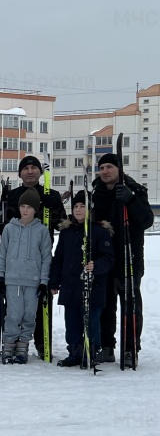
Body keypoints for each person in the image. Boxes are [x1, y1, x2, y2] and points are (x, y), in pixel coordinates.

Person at [0, 155, 66, 358]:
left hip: (39, 260)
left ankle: (42, 343)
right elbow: (0, 227)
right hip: (15, 264)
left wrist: (55, 207)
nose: (30, 171)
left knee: (39, 304)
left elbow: (63, 224)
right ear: (20, 173)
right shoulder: (12, 195)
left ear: (40, 172)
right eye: (26, 168)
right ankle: (11, 342)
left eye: (34, 167)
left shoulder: (51, 194)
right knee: (14, 309)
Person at [91, 153, 154, 368]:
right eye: (102, 167)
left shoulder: (135, 190)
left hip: (129, 257)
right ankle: (107, 347)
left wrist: (131, 199)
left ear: (119, 169)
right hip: (104, 259)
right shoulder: (96, 193)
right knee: (105, 305)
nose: (105, 171)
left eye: (110, 166)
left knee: (130, 305)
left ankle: (130, 348)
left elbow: (146, 220)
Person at [49, 191, 114, 367]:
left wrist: (96, 265)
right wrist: (54, 281)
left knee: (91, 324)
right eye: (76, 206)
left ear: (90, 208)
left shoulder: (99, 231)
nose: (78, 209)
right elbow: (58, 259)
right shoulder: (66, 232)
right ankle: (75, 353)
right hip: (70, 287)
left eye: (82, 206)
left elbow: (108, 258)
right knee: (72, 325)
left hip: (92, 287)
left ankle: (90, 352)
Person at [0, 188, 52, 364]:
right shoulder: (9, 229)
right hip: (13, 279)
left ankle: (23, 346)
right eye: (23, 206)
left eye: (29, 207)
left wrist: (44, 282)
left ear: (36, 209)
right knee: (13, 314)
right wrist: (0, 276)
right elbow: (2, 253)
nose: (25, 210)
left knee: (29, 315)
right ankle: (9, 344)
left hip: (33, 281)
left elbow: (46, 257)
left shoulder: (42, 231)